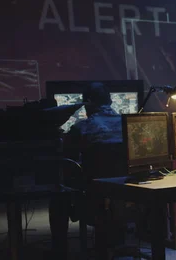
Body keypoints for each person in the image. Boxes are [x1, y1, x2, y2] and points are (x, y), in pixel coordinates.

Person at [49, 82, 124, 258]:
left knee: (57, 197)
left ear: (87, 103)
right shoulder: (129, 124)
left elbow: (69, 162)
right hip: (126, 195)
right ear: (111, 101)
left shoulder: (81, 128)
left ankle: (59, 252)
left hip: (91, 198)